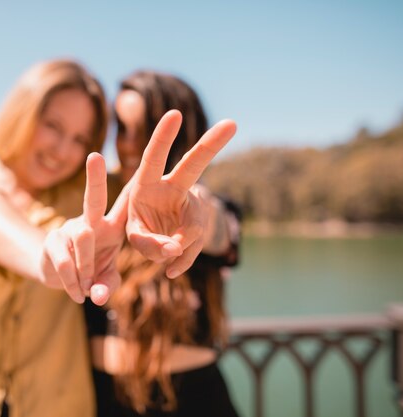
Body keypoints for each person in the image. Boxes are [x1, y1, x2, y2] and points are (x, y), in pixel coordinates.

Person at [0, 59, 238, 417]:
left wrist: (196, 209)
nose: (62, 149)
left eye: (79, 138)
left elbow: (219, 228)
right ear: (22, 112)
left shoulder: (117, 207)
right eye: (53, 126)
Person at [83, 70, 242, 417]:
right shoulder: (95, 209)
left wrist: (189, 207)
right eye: (120, 129)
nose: (125, 143)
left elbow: (217, 228)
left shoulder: (201, 209)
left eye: (142, 130)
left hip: (194, 402)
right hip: (100, 401)